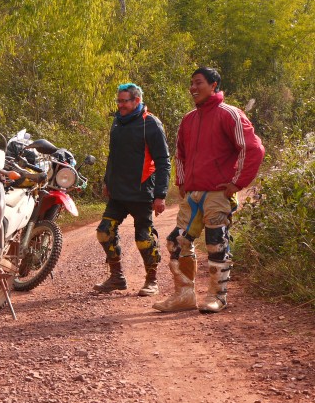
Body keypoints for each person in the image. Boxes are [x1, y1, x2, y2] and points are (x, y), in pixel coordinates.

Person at [153, 67, 265, 313]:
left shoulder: (230, 114)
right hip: (193, 195)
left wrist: (237, 182)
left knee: (216, 243)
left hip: (218, 194)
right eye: (191, 83)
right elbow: (180, 155)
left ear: (214, 85)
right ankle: (184, 296)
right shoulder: (189, 119)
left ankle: (217, 297)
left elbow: (253, 149)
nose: (193, 88)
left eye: (198, 83)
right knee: (176, 242)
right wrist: (182, 182)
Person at [94, 83, 171, 297]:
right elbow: (113, 155)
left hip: (142, 191)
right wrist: (107, 181)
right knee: (104, 232)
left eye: (124, 101)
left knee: (144, 238)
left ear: (137, 100)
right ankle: (116, 278)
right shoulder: (117, 123)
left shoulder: (150, 123)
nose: (120, 105)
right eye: (118, 101)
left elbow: (163, 161)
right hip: (118, 192)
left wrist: (160, 195)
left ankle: (152, 281)